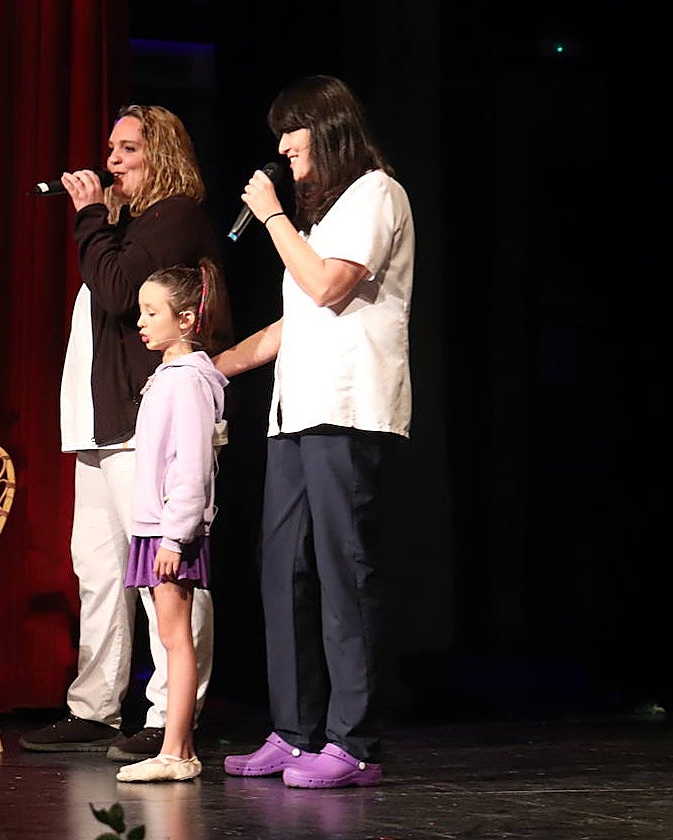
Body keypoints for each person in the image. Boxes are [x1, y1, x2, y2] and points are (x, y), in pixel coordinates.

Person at [214, 75, 414, 789]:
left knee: (343, 572)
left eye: (289, 136)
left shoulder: (376, 195)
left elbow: (329, 286)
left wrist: (270, 218)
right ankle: (295, 733)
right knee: (284, 572)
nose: (280, 152)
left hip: (347, 409)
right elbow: (295, 317)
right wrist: (219, 366)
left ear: (324, 130)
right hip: (294, 413)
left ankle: (353, 744)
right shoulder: (324, 220)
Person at [20, 105, 228, 759]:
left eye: (128, 149)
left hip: (149, 426)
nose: (111, 161)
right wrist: (101, 221)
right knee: (101, 569)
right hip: (100, 423)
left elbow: (115, 292)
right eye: (110, 148)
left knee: (166, 575)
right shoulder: (128, 224)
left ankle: (172, 715)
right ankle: (96, 707)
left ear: (161, 155)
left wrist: (86, 217)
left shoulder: (175, 218)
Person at [114, 260, 227, 783]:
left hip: (170, 530)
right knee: (168, 637)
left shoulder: (188, 382)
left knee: (176, 640)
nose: (142, 321)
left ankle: (178, 752)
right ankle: (177, 751)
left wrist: (176, 536)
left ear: (185, 320)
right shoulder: (169, 377)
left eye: (152, 311)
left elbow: (192, 463)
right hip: (156, 526)